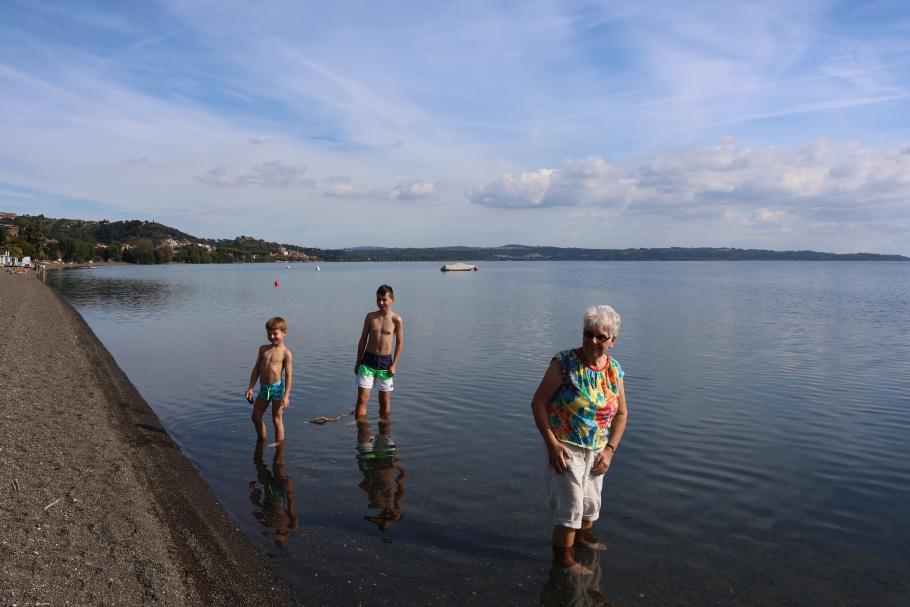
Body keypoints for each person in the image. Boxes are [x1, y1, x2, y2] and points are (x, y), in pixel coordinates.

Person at [531, 305, 628, 575]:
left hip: (598, 448)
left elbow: (621, 413)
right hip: (565, 446)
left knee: (590, 503)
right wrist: (551, 444)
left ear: (613, 341)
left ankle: (583, 540)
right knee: (570, 507)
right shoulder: (564, 362)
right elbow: (538, 403)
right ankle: (564, 560)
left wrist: (610, 450)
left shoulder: (614, 370)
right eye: (588, 334)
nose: (593, 341)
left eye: (601, 337)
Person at [354, 284, 404, 419]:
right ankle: (362, 436)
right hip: (367, 361)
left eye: (384, 299)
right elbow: (363, 339)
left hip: (386, 363)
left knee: (384, 402)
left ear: (392, 299)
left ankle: (384, 434)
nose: (380, 303)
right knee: (362, 400)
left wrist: (394, 365)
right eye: (378, 299)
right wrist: (358, 362)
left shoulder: (396, 320)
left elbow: (399, 343)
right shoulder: (370, 317)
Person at [245, 316, 294, 443]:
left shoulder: (286, 353)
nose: (271, 336)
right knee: (256, 417)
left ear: (284, 333)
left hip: (277, 389)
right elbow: (256, 369)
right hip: (264, 388)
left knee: (276, 419)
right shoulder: (263, 349)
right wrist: (250, 387)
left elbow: (288, 376)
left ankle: (279, 447)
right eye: (269, 333)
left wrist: (287, 396)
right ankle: (262, 441)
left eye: (275, 333)